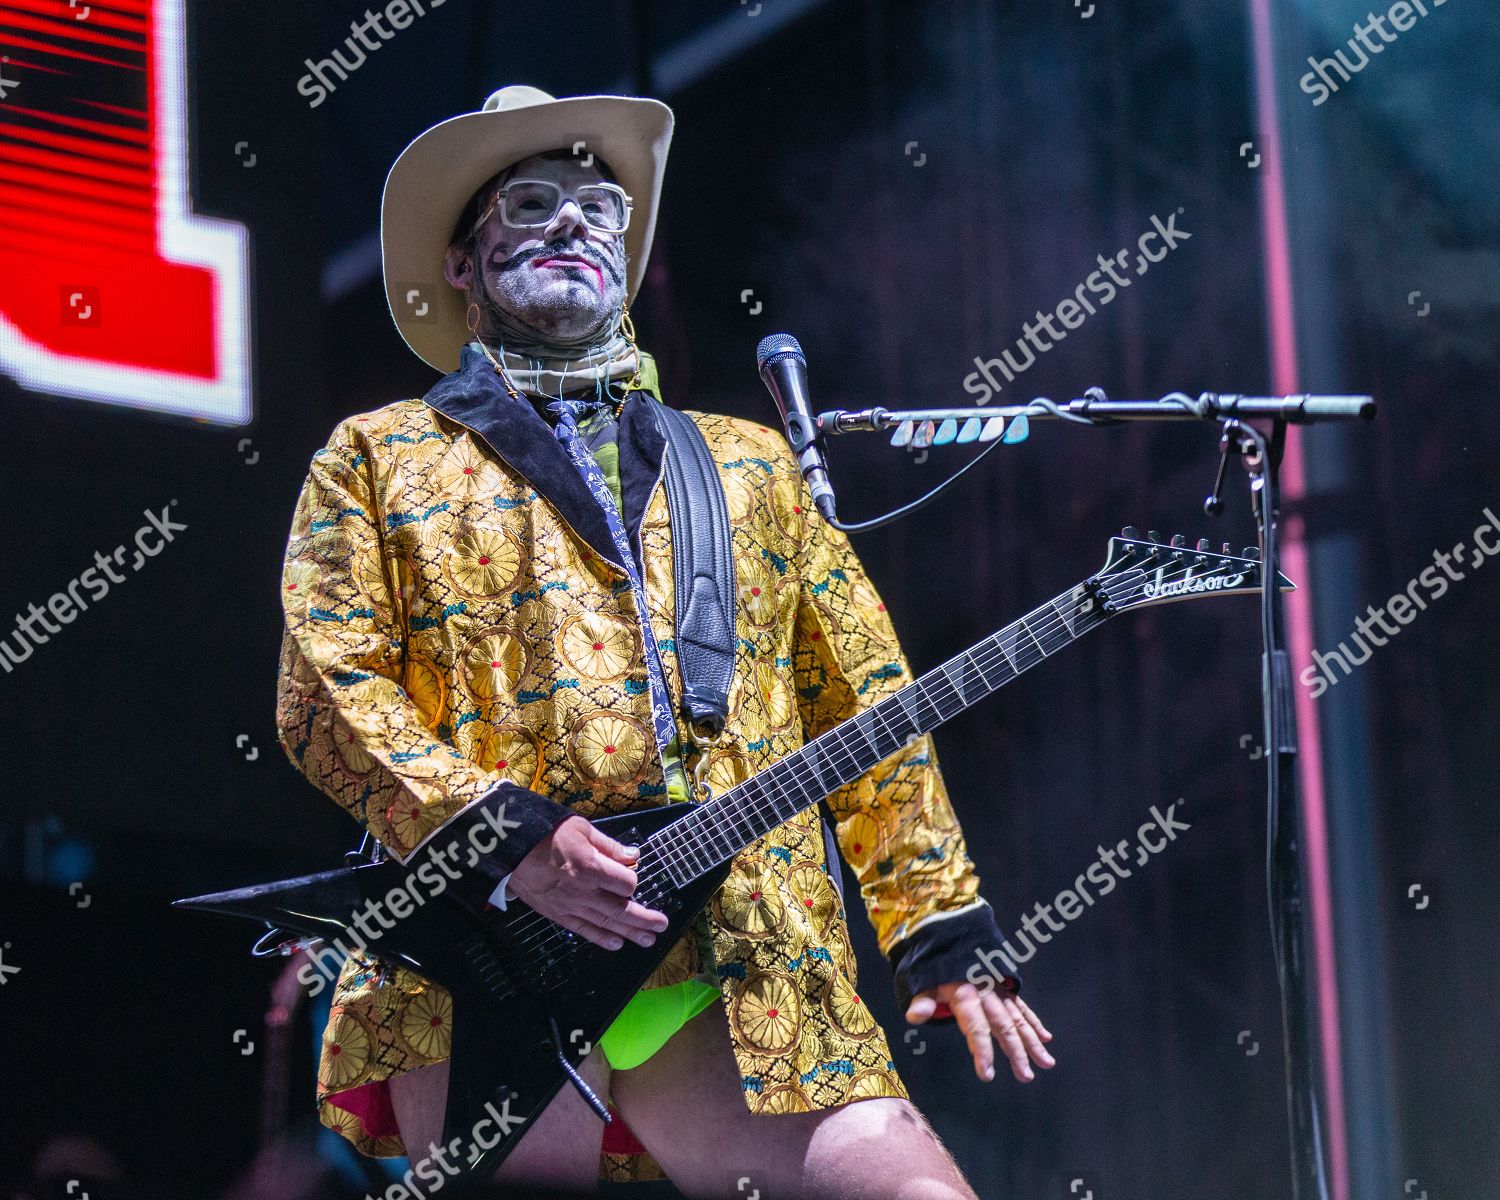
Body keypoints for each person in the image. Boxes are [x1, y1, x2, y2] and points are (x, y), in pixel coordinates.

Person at [275, 84, 1053, 1197]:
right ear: (461, 261)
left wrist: (939, 929)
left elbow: (868, 700)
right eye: (531, 200)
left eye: (599, 208)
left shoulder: (748, 467)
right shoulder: (378, 457)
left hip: (737, 942)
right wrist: (512, 842)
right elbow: (326, 692)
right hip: (487, 949)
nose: (571, 223)